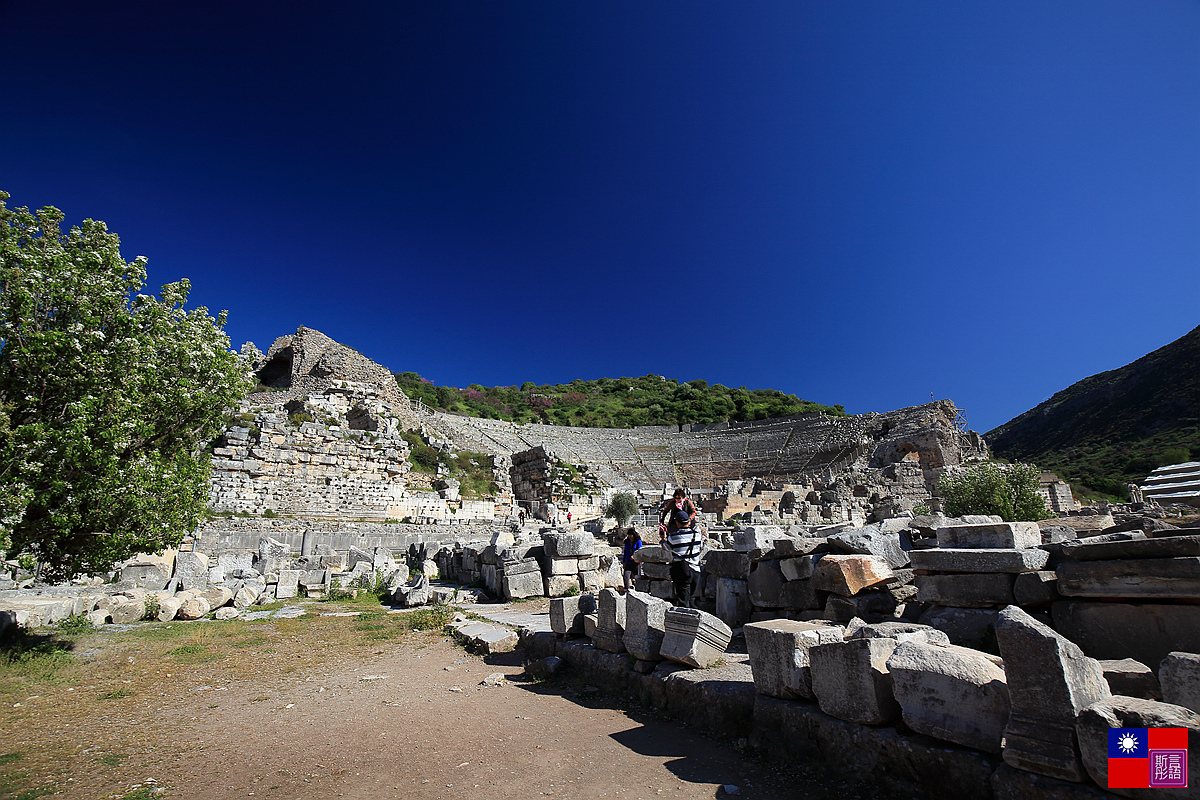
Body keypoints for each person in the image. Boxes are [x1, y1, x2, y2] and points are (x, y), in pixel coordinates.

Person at [659, 488, 703, 608]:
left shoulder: (673, 538)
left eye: (679, 498)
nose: (677, 499)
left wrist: (663, 538)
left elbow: (666, 547)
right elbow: (666, 511)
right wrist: (663, 521)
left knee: (683, 601)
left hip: (683, 571)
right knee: (691, 599)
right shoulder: (697, 535)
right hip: (696, 570)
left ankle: (684, 623)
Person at [620, 527, 642, 594]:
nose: (629, 536)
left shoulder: (638, 542)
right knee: (626, 576)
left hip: (636, 563)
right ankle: (627, 590)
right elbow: (625, 553)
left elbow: (640, 551)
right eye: (628, 535)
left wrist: (635, 556)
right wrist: (623, 562)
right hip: (628, 563)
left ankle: (639, 591)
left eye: (630, 535)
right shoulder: (627, 543)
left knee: (637, 578)